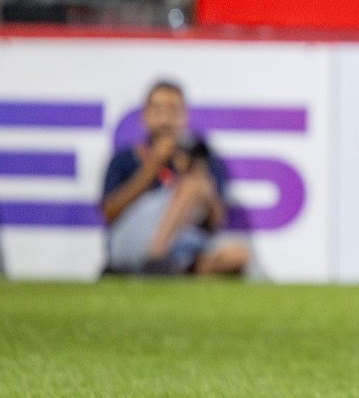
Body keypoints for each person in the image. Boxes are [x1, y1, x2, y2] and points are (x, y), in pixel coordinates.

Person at [99, 80, 249, 276]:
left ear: (184, 117)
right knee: (192, 186)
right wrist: (153, 166)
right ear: (145, 115)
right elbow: (109, 213)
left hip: (184, 243)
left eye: (173, 111)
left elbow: (216, 220)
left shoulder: (201, 158)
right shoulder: (126, 159)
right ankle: (154, 260)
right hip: (133, 239)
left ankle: (175, 269)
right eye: (158, 110)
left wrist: (196, 175)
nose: (165, 120)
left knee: (237, 256)